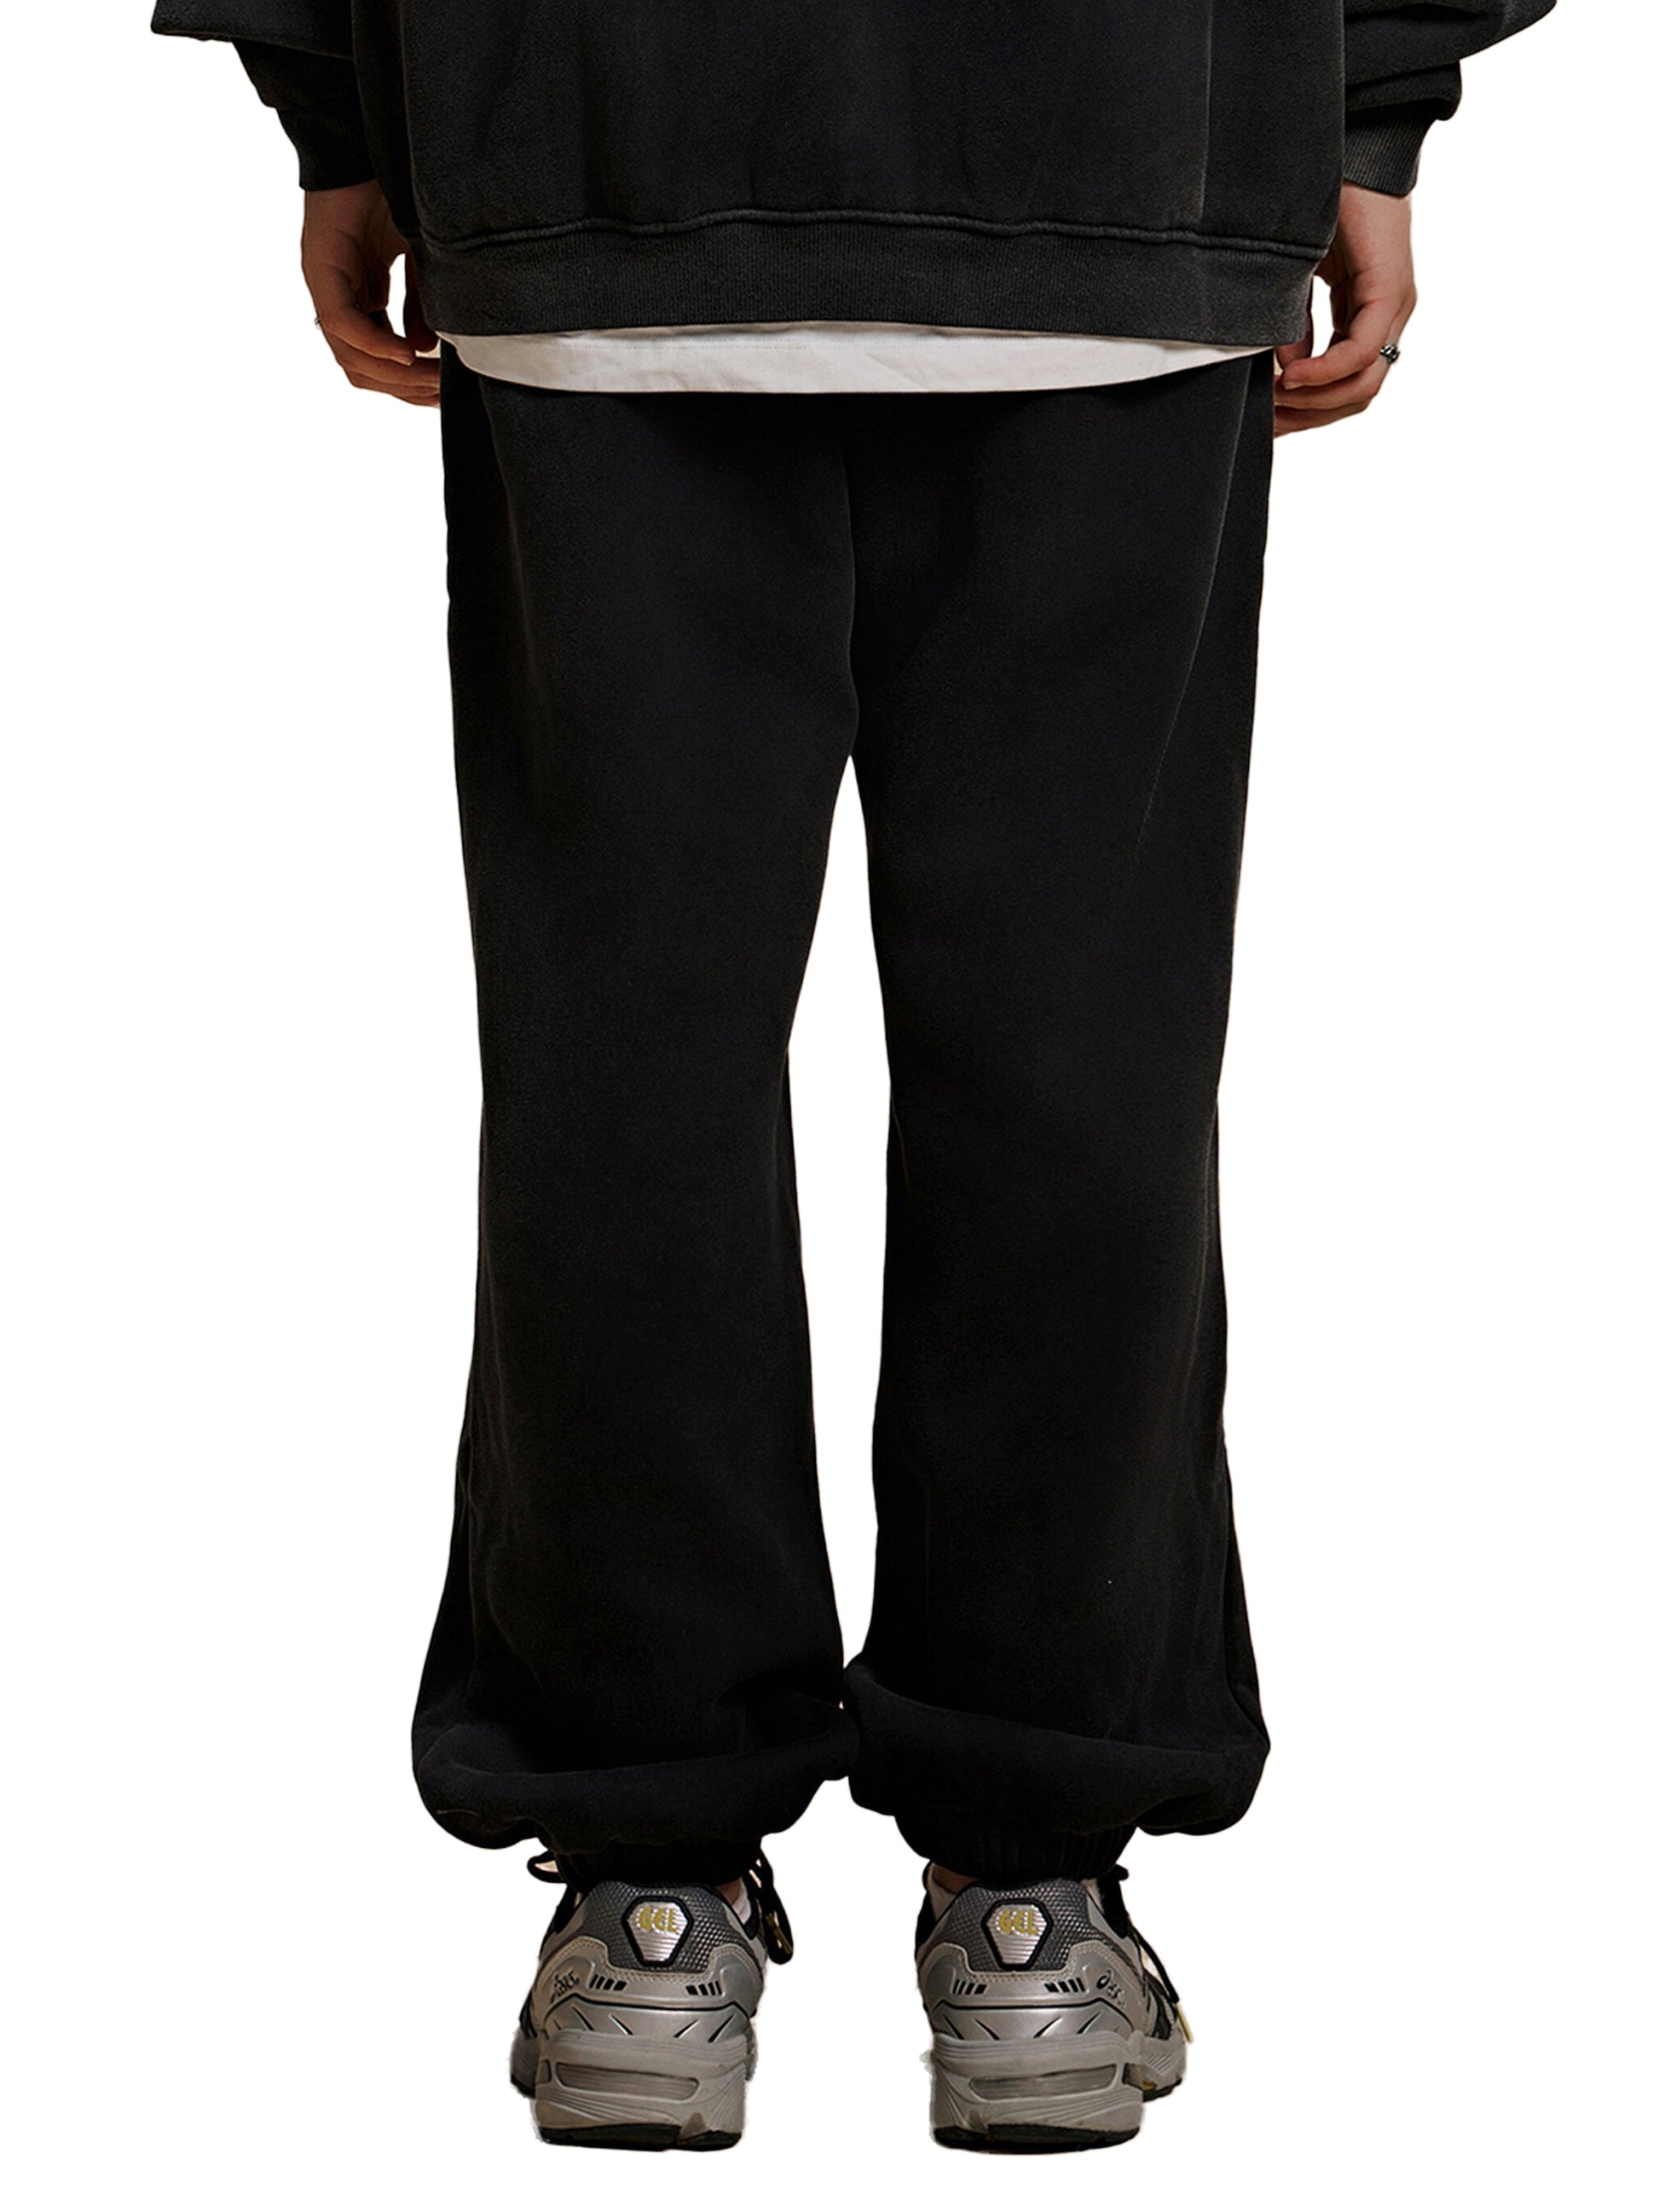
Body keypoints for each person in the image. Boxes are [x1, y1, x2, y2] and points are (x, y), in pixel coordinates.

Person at [153, 0, 1552, 2154]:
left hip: (602, 157)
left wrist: (339, 104)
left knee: (626, 1079)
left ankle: (649, 1882)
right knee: (1074, 1068)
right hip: (1114, 160)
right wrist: (1366, 102)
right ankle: (1026, 1884)